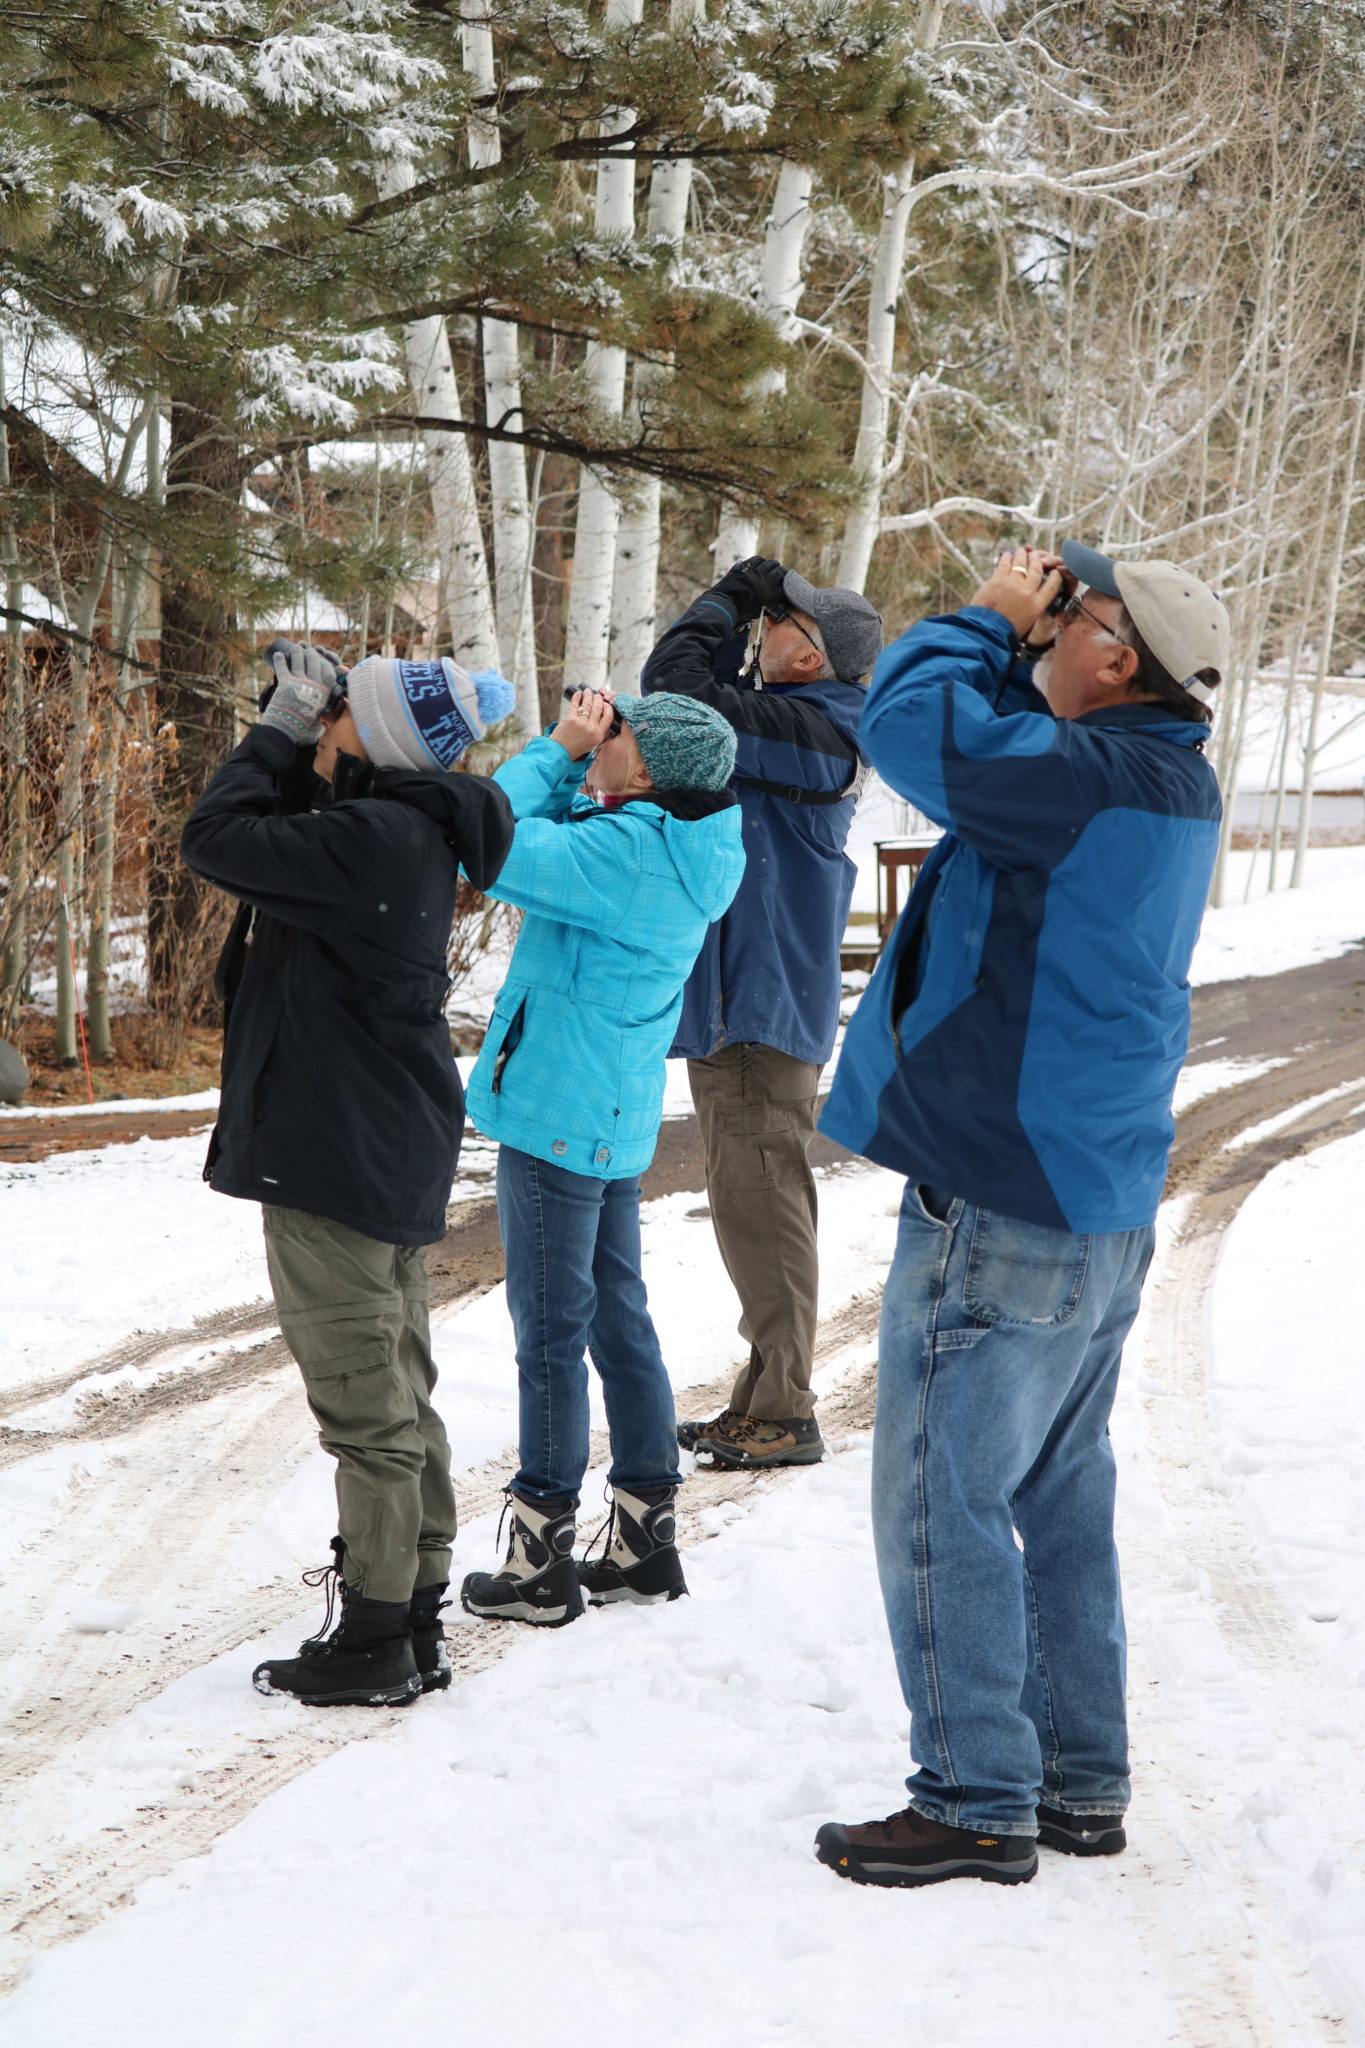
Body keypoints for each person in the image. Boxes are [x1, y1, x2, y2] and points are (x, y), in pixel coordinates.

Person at [814, 541, 1229, 1888]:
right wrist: (1014, 639)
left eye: (1072, 619)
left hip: (1006, 1204)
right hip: (1092, 1205)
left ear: (1116, 660)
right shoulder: (1160, 781)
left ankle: (978, 1795)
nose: (1049, 629)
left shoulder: (1089, 782)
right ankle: (1075, 1778)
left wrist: (982, 618)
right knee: (1054, 1499)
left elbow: (906, 723)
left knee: (941, 1500)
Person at [181, 643, 516, 1707]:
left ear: (371, 734)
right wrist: (299, 742)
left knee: (366, 1401)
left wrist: (280, 725)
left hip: (337, 1155)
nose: (322, 725)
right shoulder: (398, 827)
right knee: (397, 1383)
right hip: (376, 1143)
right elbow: (273, 838)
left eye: (339, 715)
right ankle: (409, 1608)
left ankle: (376, 1634)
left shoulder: (371, 837)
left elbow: (216, 839)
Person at [459, 686, 745, 1626]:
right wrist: (591, 770)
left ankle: (539, 1558)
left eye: (612, 733)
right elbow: (549, 834)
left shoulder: (620, 857)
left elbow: (486, 831)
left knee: (549, 1330)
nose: (596, 740)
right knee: (617, 1315)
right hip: (606, 1113)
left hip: (556, 1113)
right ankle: (643, 1538)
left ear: (650, 766)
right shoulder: (672, 845)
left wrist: (550, 748)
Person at [641, 555, 883, 1470]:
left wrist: (725, 599)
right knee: (750, 1201)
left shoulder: (820, 733)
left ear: (810, 658)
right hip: (739, 1001)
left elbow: (672, 692)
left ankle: (784, 1408)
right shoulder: (790, 721)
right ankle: (762, 1396)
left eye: (786, 620)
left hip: (761, 1006)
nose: (767, 626)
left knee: (764, 1201)